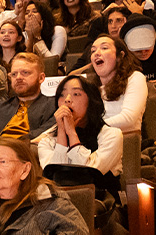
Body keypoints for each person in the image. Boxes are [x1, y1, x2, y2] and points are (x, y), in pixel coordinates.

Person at [36, 76, 124, 211]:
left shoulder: (111, 135)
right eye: (62, 95)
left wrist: (71, 133)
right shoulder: (47, 141)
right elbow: (55, 178)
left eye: (76, 94)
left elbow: (88, 173)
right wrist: (61, 132)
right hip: (57, 208)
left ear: (91, 101)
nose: (67, 100)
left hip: (101, 208)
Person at [0, 53, 57, 139]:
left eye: (25, 72)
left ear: (41, 78)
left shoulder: (54, 105)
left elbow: (45, 134)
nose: (18, 77)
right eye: (14, 74)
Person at [91, 34, 147, 133]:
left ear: (120, 56)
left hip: (125, 141)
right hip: (95, 141)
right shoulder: (92, 86)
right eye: (93, 51)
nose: (97, 53)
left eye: (104, 48)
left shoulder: (135, 78)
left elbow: (129, 118)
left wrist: (92, 128)